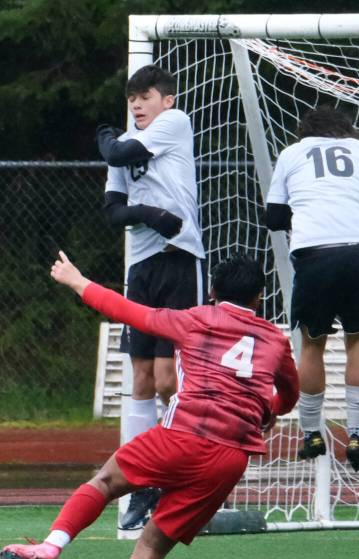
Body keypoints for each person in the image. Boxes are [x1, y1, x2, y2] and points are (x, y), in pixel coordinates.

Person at [1, 251, 299, 559]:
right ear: (260, 297)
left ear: (211, 291)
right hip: (229, 458)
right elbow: (293, 393)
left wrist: (75, 280)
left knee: (106, 481)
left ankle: (53, 545)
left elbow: (126, 309)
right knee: (153, 545)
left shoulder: (192, 318)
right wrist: (270, 409)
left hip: (181, 435)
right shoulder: (276, 341)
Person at [264, 106, 359, 470]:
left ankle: (311, 432)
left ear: (305, 131)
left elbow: (274, 218)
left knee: (312, 344)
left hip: (316, 252)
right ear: (346, 131)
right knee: (358, 340)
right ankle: (358, 435)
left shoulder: (292, 153)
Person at [96, 64, 206, 530]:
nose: (137, 104)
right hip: (140, 268)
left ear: (168, 100)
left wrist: (104, 137)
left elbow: (120, 150)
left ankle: (180, 474)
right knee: (140, 378)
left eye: (145, 96)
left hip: (180, 258)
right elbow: (112, 211)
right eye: (131, 99)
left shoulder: (174, 125)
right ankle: (141, 485)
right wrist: (148, 211)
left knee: (168, 380)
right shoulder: (122, 148)